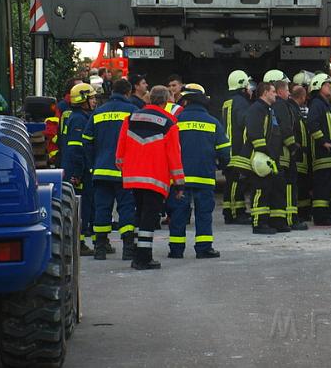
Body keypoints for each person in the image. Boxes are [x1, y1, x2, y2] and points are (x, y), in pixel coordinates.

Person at [116, 86, 185, 270]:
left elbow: (120, 149)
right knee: (149, 216)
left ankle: (138, 254)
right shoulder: (170, 123)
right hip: (155, 177)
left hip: (133, 177)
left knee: (140, 214)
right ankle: (143, 259)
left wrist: (124, 167)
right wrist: (179, 183)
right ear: (166, 102)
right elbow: (174, 156)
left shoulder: (130, 118)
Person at [168, 84, 229, 259]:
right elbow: (224, 151)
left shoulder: (176, 122)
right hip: (204, 177)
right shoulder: (213, 122)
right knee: (203, 214)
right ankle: (203, 248)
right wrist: (223, 167)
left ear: (186, 101)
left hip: (180, 179)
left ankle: (176, 249)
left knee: (178, 213)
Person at [82, 78, 138, 261]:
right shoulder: (133, 112)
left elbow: (86, 141)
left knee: (102, 209)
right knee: (127, 208)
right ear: (128, 93)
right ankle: (128, 248)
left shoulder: (98, 113)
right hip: (125, 172)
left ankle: (100, 248)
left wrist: (93, 163)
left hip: (101, 170)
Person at [263, 70, 308, 231]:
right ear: (280, 90)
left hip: (276, 154)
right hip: (284, 155)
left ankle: (279, 220)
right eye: (287, 89)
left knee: (278, 188)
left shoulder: (270, 106)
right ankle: (290, 219)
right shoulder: (281, 105)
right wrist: (293, 147)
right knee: (289, 186)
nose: (289, 92)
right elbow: (286, 128)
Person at [243, 81, 288, 235]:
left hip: (272, 157)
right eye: (273, 91)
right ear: (265, 93)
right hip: (262, 157)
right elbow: (254, 131)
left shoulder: (268, 109)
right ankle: (259, 223)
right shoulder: (256, 109)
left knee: (276, 188)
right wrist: (264, 150)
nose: (276, 94)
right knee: (261, 189)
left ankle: (277, 221)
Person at [61, 83, 98, 255]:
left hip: (81, 169)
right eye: (92, 98)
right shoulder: (79, 119)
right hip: (79, 171)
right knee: (81, 208)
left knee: (87, 206)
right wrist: (77, 174)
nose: (95, 101)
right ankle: (79, 243)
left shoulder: (82, 117)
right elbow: (76, 149)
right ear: (83, 99)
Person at [306, 73, 331, 226]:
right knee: (323, 188)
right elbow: (312, 124)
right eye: (327, 85)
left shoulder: (326, 105)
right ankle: (321, 217)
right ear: (318, 87)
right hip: (324, 157)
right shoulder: (317, 104)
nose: (330, 86)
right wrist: (323, 142)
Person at [221, 70, 253, 224]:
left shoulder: (229, 101)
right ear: (242, 86)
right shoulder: (241, 103)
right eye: (247, 86)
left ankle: (235, 210)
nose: (250, 89)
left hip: (230, 148)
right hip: (237, 150)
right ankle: (234, 213)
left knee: (233, 182)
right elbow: (244, 124)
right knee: (235, 183)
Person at [287, 84, 312, 222]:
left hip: (299, 156)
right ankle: (301, 213)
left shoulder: (293, 109)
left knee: (301, 186)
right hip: (297, 156)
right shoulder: (292, 110)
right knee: (300, 187)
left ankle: (303, 213)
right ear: (302, 97)